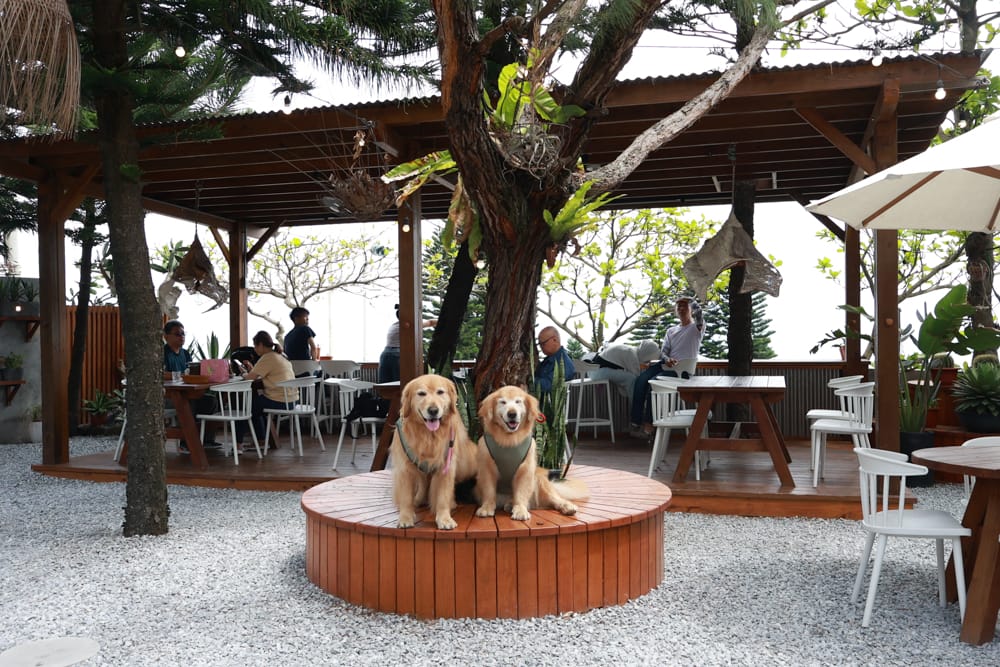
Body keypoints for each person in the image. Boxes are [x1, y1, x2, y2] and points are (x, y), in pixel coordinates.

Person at [629, 296, 705, 437]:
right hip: (667, 364)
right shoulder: (671, 330)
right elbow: (664, 352)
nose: (681, 308)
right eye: (678, 306)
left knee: (654, 383)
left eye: (684, 305)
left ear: (690, 309)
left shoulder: (696, 328)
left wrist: (690, 300)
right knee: (641, 380)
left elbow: (699, 313)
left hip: (682, 371)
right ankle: (635, 422)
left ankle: (649, 425)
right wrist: (667, 359)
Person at [162, 320, 218, 450]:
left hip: (185, 393)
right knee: (188, 403)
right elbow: (160, 374)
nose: (181, 337)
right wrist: (181, 375)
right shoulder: (162, 353)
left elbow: (191, 372)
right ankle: (186, 443)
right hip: (167, 397)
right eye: (177, 334)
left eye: (183, 334)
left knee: (210, 401)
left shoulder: (185, 353)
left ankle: (207, 440)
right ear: (166, 336)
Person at [238, 330, 295, 448]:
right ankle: (261, 441)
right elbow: (261, 374)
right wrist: (252, 370)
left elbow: (249, 378)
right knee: (256, 406)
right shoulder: (281, 356)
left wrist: (243, 373)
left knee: (245, 407)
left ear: (261, 345)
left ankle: (238, 444)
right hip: (292, 400)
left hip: (279, 401)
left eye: (255, 346)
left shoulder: (268, 357)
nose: (255, 349)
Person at [588, 339, 662, 405]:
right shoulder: (631, 354)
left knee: (629, 378)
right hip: (597, 372)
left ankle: (635, 407)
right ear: (646, 355)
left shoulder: (631, 351)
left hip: (596, 370)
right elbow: (637, 378)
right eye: (647, 360)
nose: (647, 363)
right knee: (631, 379)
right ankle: (635, 406)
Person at [378, 304, 437, 383]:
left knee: (385, 385)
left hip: (385, 355)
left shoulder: (394, 326)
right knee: (399, 384)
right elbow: (430, 322)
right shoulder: (408, 325)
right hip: (397, 355)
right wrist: (445, 320)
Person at [536, 326, 575, 394]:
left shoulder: (564, 363)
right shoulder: (548, 360)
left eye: (543, 343)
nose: (541, 347)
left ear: (554, 340)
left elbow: (548, 385)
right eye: (539, 344)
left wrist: (528, 382)